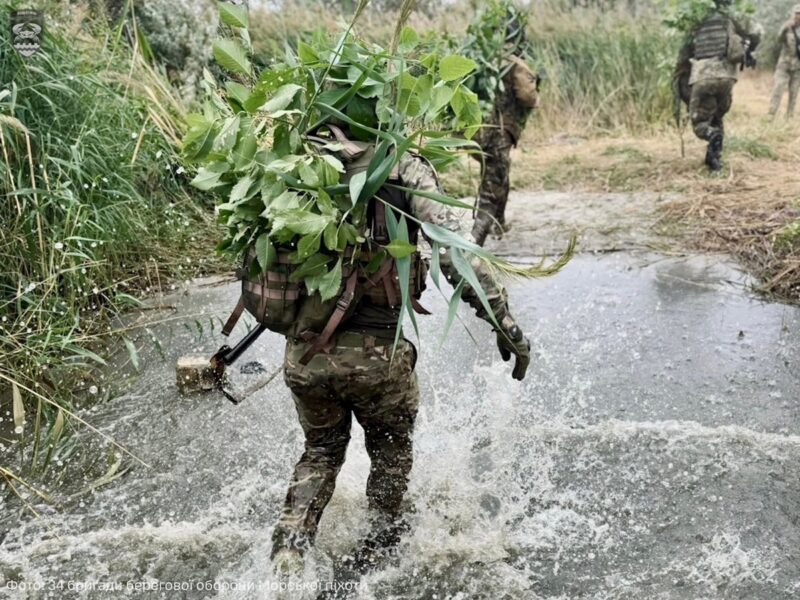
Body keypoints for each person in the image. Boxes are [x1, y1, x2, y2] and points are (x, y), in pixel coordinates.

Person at [270, 148, 532, 575]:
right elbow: (455, 255)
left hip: (305, 356)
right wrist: (506, 325)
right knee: (390, 454)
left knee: (320, 451)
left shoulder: (296, 154)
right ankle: (374, 559)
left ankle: (290, 545)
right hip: (378, 360)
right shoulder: (400, 164)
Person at [469, 4, 540, 246]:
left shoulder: (485, 59)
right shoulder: (513, 63)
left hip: (479, 132)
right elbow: (528, 97)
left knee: (498, 176)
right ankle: (474, 241)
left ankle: (498, 223)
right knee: (493, 186)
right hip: (499, 134)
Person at [674, 0, 761, 172]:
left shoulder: (696, 20)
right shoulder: (731, 18)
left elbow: (683, 57)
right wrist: (750, 51)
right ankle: (714, 162)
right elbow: (756, 32)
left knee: (700, 124)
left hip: (704, 77)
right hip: (728, 77)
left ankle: (712, 137)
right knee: (717, 117)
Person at [768, 5, 800, 119]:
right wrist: (785, 28)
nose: (798, 16)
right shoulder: (787, 27)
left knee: (794, 93)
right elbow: (779, 40)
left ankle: (789, 116)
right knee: (778, 89)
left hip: (798, 67)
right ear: (793, 14)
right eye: (797, 13)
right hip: (784, 65)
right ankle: (771, 114)